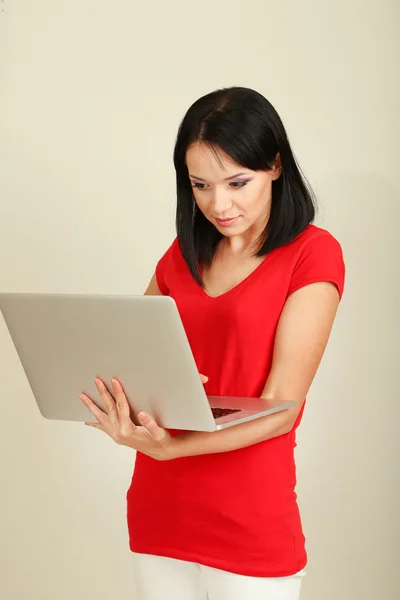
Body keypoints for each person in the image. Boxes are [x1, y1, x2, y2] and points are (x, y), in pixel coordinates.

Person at [79, 86, 345, 600]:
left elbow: (281, 410)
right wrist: (127, 407)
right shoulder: (182, 255)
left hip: (249, 522)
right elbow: (132, 357)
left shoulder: (313, 255)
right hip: (160, 511)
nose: (218, 204)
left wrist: (173, 448)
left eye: (237, 182)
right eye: (200, 185)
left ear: (275, 165)